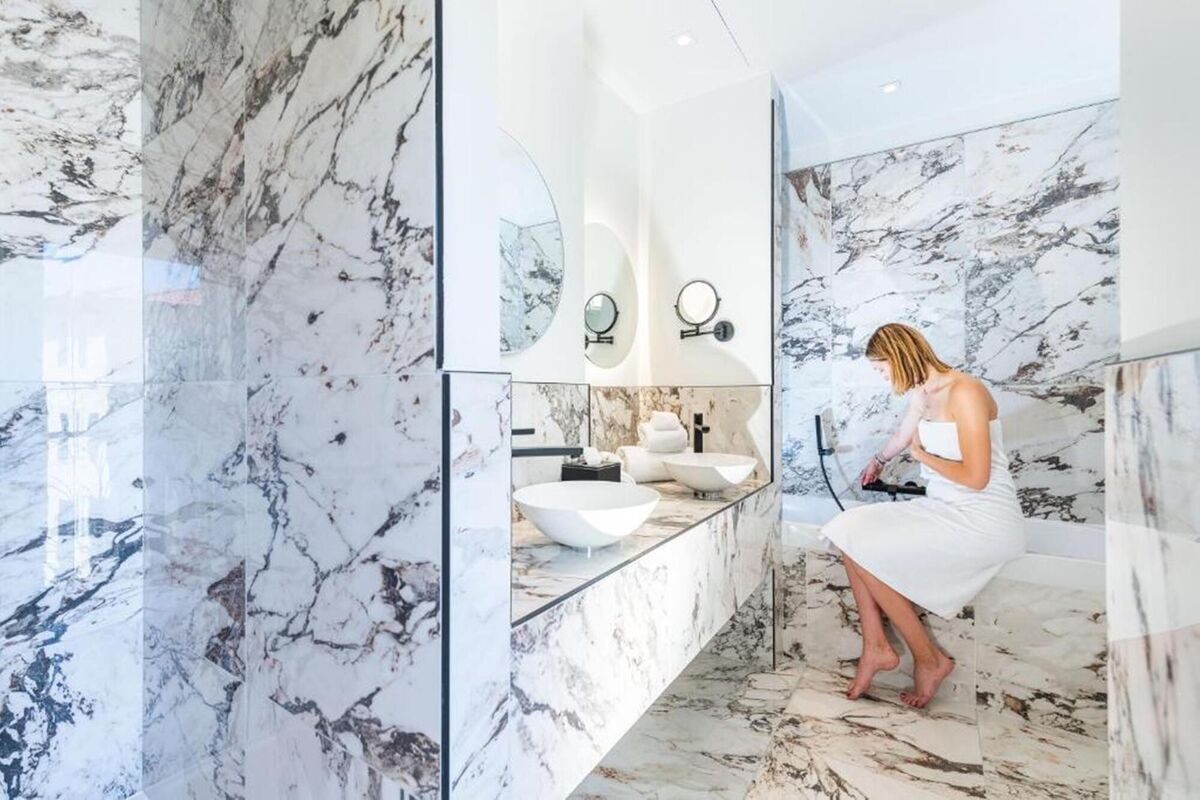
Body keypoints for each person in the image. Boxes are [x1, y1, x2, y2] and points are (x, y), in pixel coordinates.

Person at [822, 323, 1025, 708]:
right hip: (944, 507)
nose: (884, 379)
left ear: (898, 358)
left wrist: (922, 456)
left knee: (859, 543)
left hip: (983, 519)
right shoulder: (923, 393)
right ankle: (877, 645)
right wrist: (878, 461)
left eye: (883, 370)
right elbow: (903, 436)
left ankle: (929, 658)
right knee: (846, 530)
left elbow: (977, 477)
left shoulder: (965, 392)